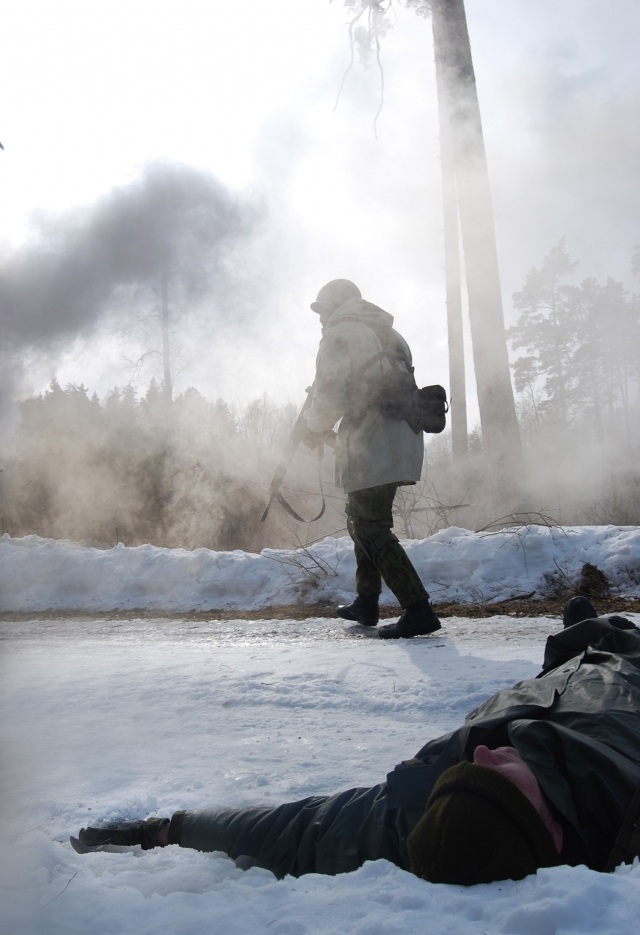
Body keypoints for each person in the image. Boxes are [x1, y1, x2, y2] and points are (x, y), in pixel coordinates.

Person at [75, 598, 640, 885]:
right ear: (555, 829)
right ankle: (593, 633)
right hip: (622, 677)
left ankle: (581, 637)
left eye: (479, 772)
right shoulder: (622, 800)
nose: (484, 754)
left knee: (567, 658)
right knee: (614, 640)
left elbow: (296, 831)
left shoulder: (424, 816)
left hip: (545, 693)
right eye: (496, 774)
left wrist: (168, 830)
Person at [301, 279, 440, 639]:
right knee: (362, 520)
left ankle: (418, 609)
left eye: (322, 310)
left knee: (370, 526)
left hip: (370, 441)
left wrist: (313, 425)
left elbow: (330, 398)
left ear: (335, 305)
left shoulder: (338, 336)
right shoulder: (392, 335)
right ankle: (366, 601)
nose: (320, 318)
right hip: (402, 439)